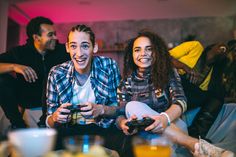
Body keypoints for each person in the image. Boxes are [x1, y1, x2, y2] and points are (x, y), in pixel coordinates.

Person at [116, 30, 234, 157]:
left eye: (149, 49)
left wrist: (164, 118)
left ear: (156, 53)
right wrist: (122, 123)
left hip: (173, 127)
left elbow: (181, 101)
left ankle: (192, 146)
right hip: (145, 134)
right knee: (131, 106)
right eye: (137, 50)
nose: (143, 53)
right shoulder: (126, 82)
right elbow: (119, 113)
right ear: (132, 54)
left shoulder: (169, 73)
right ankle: (197, 145)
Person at [45, 24, 123, 155]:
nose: (79, 53)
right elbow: (49, 121)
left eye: (85, 46)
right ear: (67, 48)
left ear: (95, 47)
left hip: (102, 129)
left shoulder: (109, 66)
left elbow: (120, 108)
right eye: (74, 46)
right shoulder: (56, 73)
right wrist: (55, 117)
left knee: (123, 145)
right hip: (68, 130)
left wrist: (101, 109)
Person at [0, 16, 70, 129]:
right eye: (50, 35)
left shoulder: (62, 50)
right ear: (36, 37)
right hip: (28, 101)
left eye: (54, 33)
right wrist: (14, 66)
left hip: (53, 105)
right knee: (2, 80)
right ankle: (17, 124)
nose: (55, 38)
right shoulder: (19, 52)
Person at [169, 40, 230, 139]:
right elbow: (164, 56)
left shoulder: (213, 74)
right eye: (221, 45)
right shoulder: (195, 47)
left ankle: (196, 134)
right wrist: (184, 67)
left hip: (187, 95)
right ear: (211, 47)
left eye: (226, 51)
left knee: (217, 97)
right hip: (174, 84)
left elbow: (206, 93)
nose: (224, 48)